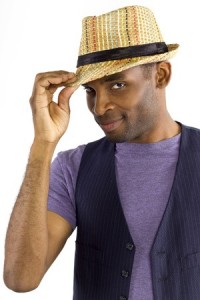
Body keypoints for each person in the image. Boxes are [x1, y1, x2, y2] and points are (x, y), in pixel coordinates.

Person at [4, 5, 200, 300]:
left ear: (160, 75)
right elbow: (20, 278)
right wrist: (43, 144)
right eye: (90, 91)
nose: (99, 107)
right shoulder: (74, 167)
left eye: (118, 84)